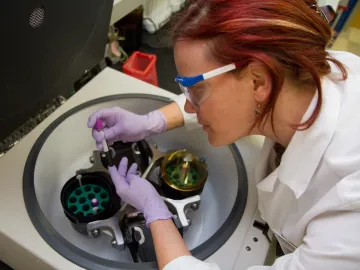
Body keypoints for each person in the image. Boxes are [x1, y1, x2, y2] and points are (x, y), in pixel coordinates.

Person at [87, 0, 360, 269]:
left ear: (259, 81)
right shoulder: (307, 70)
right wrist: (152, 121)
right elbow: (227, 95)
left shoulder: (350, 204)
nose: (190, 106)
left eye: (196, 90)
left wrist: (155, 213)